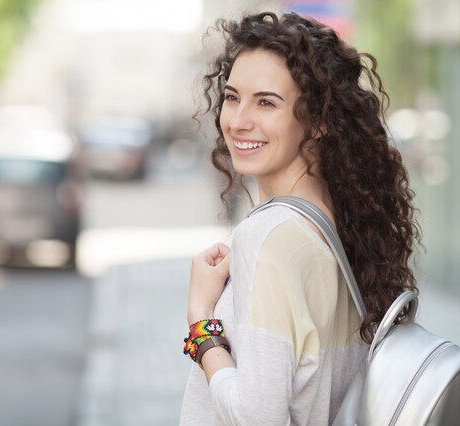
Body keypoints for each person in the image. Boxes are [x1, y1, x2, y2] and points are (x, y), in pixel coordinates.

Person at [180, 11, 421, 425]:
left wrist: (202, 325)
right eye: (233, 97)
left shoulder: (267, 236)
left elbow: (258, 418)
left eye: (266, 103)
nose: (237, 121)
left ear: (318, 122)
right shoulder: (336, 229)